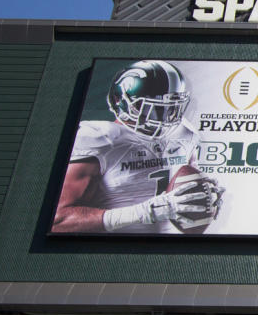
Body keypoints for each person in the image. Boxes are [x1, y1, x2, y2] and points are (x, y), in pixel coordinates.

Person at [51, 59, 221, 234]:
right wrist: (141, 213)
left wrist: (206, 196)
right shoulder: (102, 140)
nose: (163, 117)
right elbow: (58, 220)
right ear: (121, 101)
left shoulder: (184, 134)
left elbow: (187, 184)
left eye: (171, 108)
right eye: (153, 108)